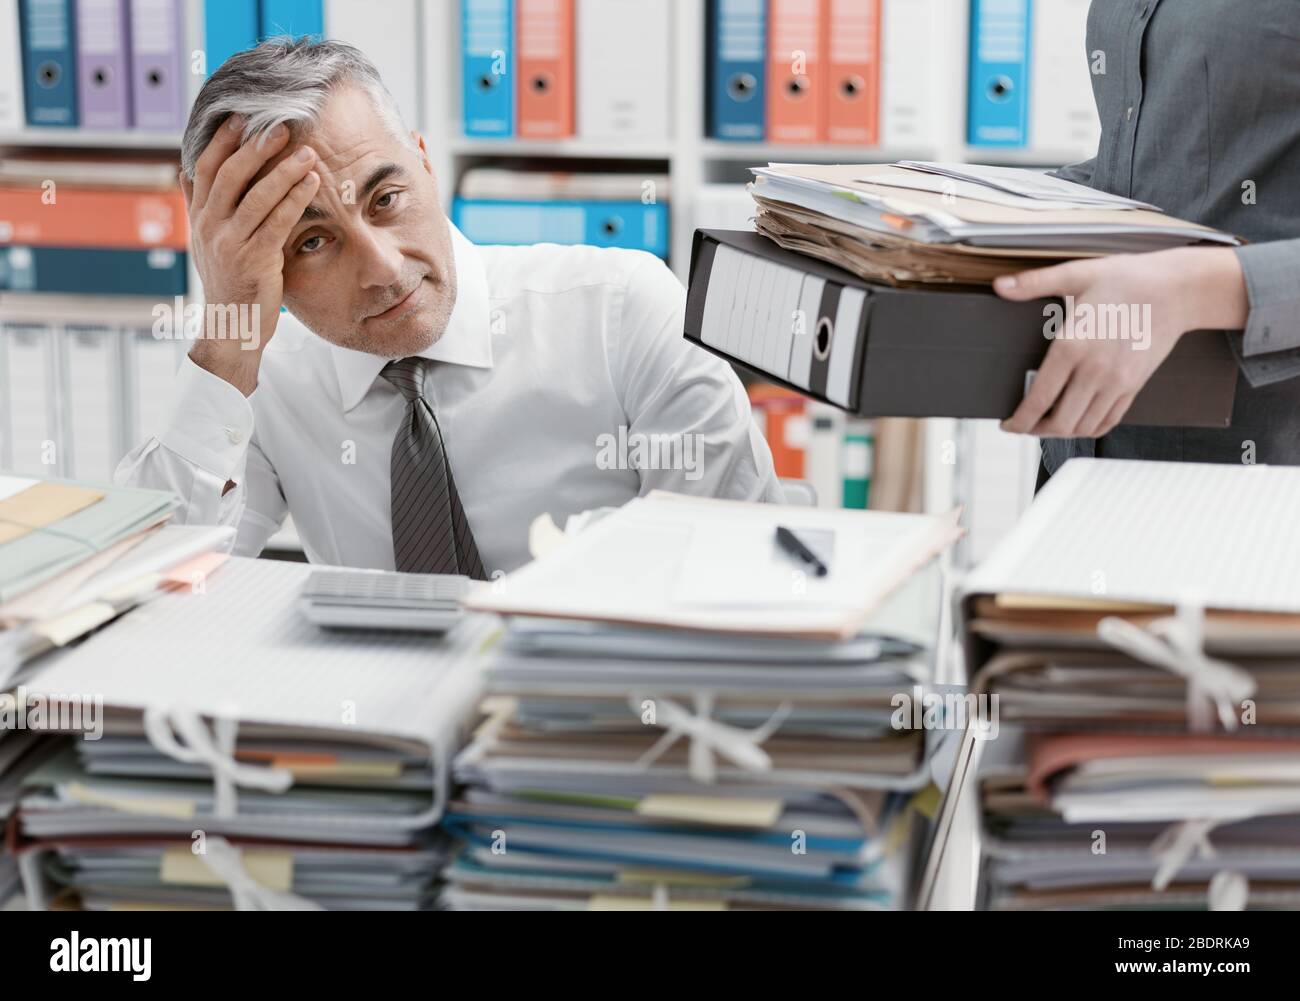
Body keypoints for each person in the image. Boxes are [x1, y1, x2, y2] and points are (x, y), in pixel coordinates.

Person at [117, 38, 781, 577]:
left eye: (386, 199)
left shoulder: (627, 313)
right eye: (313, 241)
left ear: (426, 164)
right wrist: (227, 346)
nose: (383, 267)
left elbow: (734, 581)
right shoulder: (261, 387)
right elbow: (147, 601)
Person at [992, 0, 1300, 476]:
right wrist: (985, 204)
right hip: (1085, 461)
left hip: (1258, 488)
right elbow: (1162, 160)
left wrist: (1194, 288)